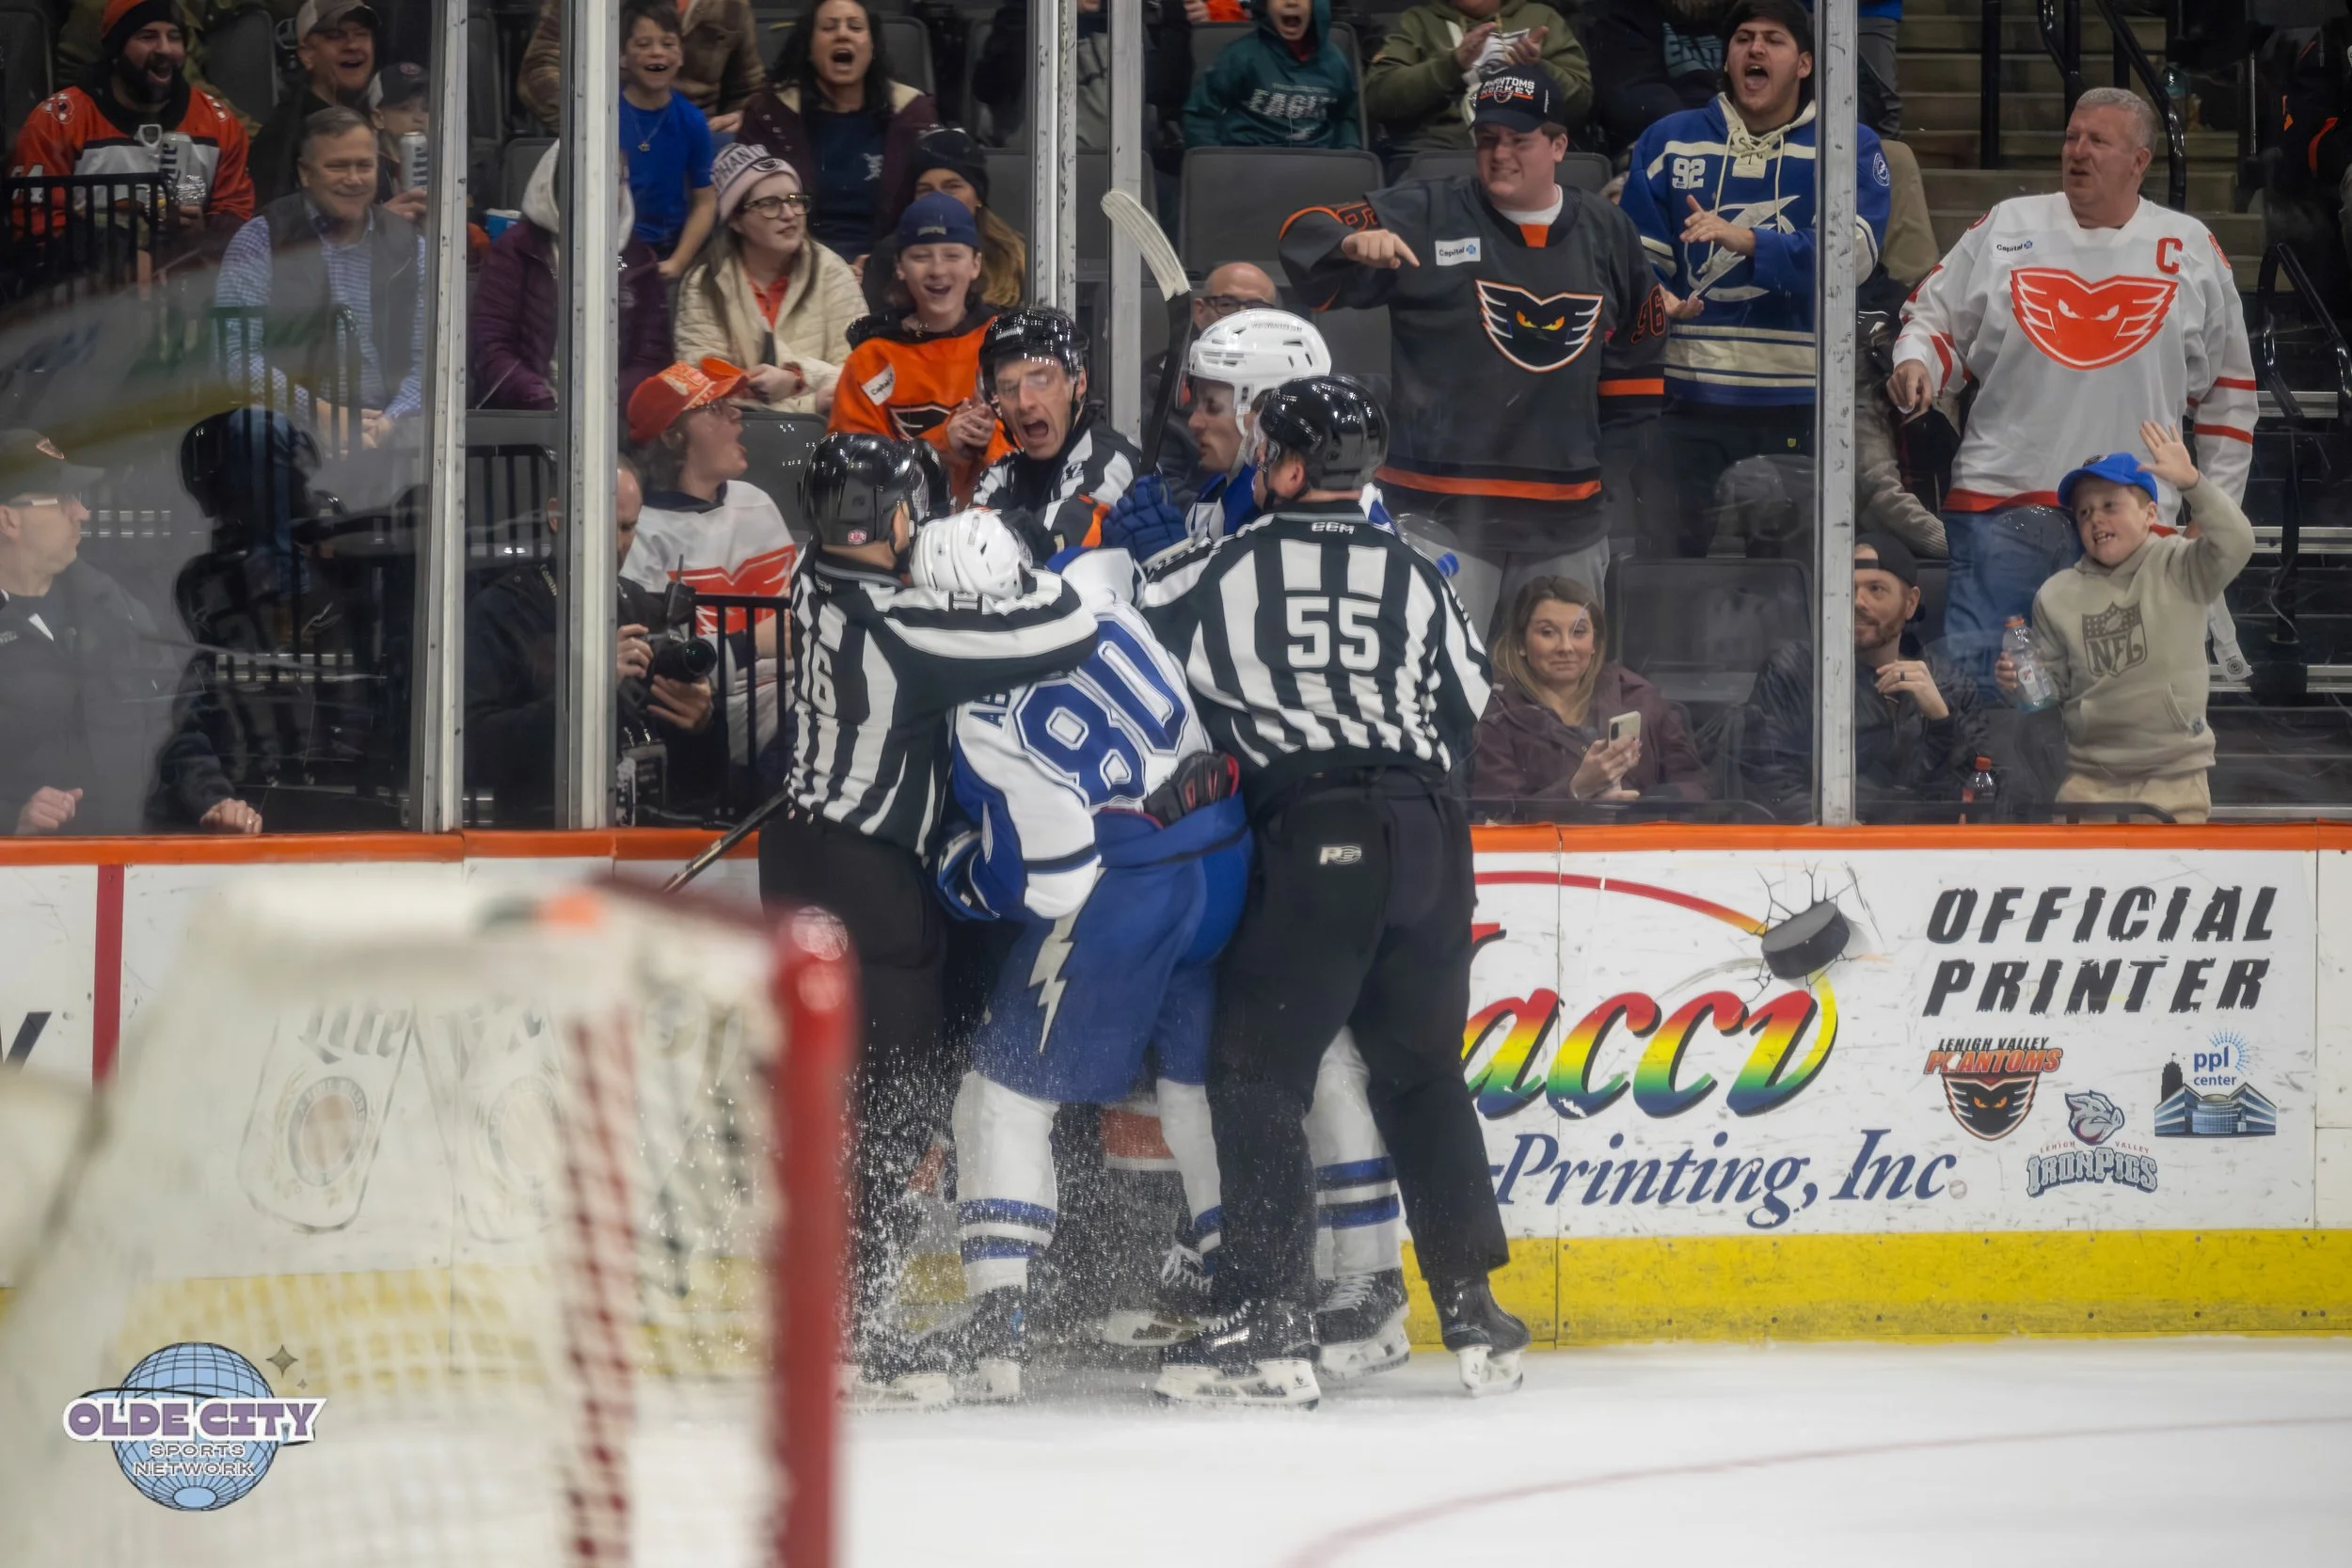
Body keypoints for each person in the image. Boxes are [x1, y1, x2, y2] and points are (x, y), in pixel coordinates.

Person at [1139, 377, 1522, 1408]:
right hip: (1435, 836)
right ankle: (1473, 1308)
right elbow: (1471, 698)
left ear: (1292, 467)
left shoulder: (1221, 564)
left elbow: (1127, 643)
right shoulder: (1418, 570)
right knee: (1422, 1073)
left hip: (1315, 826)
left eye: (1267, 451)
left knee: (1260, 1074)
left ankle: (1270, 1316)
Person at [763, 434, 1097, 1407]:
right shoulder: (905, 624)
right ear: (895, 518)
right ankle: (845, 1333)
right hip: (868, 876)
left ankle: (833, 1319)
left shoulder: (810, 576)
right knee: (894, 1102)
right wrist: (1018, 554)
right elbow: (1064, 630)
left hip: (800, 852)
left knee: (845, 1099)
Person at [917, 531, 1248, 1402]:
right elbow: (1110, 564)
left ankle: (997, 1330)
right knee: (1190, 1089)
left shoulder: (985, 713)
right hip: (1221, 855)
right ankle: (1241, 1291)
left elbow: (1053, 873)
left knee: (1002, 1093)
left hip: (1126, 886)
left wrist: (967, 879)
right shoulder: (1102, 606)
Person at [1888, 87, 2255, 692]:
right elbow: (1932, 320)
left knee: (2115, 700)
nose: (2077, 152)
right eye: (2070, 137)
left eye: (2098, 141)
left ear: (2139, 160)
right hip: (2000, 503)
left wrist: (2211, 514)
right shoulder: (2009, 225)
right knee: (1986, 691)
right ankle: (1981, 788)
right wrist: (1917, 360)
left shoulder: (2189, 247)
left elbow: (2228, 393)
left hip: (2136, 520)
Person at [1281, 69, 1670, 634]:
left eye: (1519, 140)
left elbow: (1640, 353)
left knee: (1557, 705)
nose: (1500, 154)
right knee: (1433, 697)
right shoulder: (1424, 213)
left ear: (1560, 145)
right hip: (1437, 519)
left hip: (1569, 524)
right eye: (1488, 139)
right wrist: (1348, 242)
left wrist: (1604, 473)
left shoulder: (1608, 231)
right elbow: (1300, 232)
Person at [1619, 0, 1889, 558]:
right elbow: (1629, 256)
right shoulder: (1668, 140)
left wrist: (1746, 240)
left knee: (1788, 590)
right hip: (1686, 399)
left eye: (1773, 39)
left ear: (1807, 63)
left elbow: (1851, 259)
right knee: (1668, 576)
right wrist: (1657, 295)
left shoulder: (1847, 144)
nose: (1755, 49)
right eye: (1743, 38)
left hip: (1799, 404)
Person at [0, 429, 260, 837]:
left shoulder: (113, 609)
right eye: (62, 500)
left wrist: (210, 801)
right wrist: (11, 816)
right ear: (7, 518)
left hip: (133, 871)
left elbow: (171, 728)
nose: (81, 513)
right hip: (25, 882)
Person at [1997, 425, 2253, 825]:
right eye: (2084, 512)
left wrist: (2193, 484)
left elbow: (2238, 543)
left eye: (2110, 505)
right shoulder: (2055, 594)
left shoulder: (2182, 565)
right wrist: (2018, 682)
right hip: (2087, 781)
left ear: (2150, 513)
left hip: (2175, 781)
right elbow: (2052, 689)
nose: (2095, 519)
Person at [465, 462, 722, 827]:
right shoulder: (503, 611)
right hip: (543, 839)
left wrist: (703, 725)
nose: (618, 544)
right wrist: (585, 692)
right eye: (604, 526)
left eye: (628, 527)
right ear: (557, 516)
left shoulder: (642, 607)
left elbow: (704, 785)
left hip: (652, 835)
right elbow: (475, 749)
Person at [214, 106, 424, 451]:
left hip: (388, 422)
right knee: (253, 429)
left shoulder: (409, 246)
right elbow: (234, 356)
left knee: (446, 429)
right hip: (293, 421)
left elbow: (429, 360)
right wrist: (319, 413)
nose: (354, 179)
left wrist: (388, 422)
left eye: (364, 166)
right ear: (305, 173)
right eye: (338, 166)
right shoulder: (262, 238)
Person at [1740, 533, 1988, 816]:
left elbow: (1973, 794)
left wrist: (1942, 722)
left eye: (1876, 589)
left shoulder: (1952, 687)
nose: (1858, 602)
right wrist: (1838, 832)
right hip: (1823, 847)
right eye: (1848, 589)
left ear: (1910, 603)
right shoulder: (1795, 671)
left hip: (1923, 850)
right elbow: (1768, 778)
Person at [10, 0, 254, 251]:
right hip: (88, 286)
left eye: (174, 37)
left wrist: (200, 233)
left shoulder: (220, 125)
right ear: (116, 51)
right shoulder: (55, 123)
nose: (165, 49)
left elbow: (238, 222)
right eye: (147, 37)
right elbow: (36, 232)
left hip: (189, 285)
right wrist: (116, 255)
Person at [828, 192, 1009, 499]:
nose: (937, 270)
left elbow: (1045, 443)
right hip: (898, 531)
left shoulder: (1007, 345)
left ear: (975, 264)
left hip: (999, 524)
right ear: (900, 266)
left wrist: (991, 440)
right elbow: (851, 470)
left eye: (952, 255)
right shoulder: (873, 359)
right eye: (921, 256)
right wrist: (940, 444)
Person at [472, 139, 671, 415]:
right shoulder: (516, 250)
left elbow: (651, 359)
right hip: (528, 423)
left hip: (616, 425)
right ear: (556, 182)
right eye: (588, 177)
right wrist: (546, 404)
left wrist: (606, 406)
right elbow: (492, 347)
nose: (599, 190)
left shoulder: (639, 261)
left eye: (612, 179)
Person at [737, 0, 939, 263]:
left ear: (872, 47)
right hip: (792, 262)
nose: (842, 34)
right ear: (809, 47)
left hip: (892, 265)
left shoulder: (913, 114)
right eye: (828, 27)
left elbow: (933, 204)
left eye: (855, 27)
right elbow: (747, 205)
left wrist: (882, 262)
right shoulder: (771, 113)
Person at [1470, 576, 1704, 805]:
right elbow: (1497, 817)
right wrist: (1575, 791)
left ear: (1595, 642)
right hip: (1552, 844)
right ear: (1521, 644)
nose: (1566, 647)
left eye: (1579, 632)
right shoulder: (1494, 716)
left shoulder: (1639, 696)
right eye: (1547, 633)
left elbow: (1696, 786)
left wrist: (1644, 806)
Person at [674, 145, 862, 417]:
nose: (788, 214)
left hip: (824, 441)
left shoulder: (832, 271)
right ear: (736, 221)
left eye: (795, 200)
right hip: (739, 441)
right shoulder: (704, 283)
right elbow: (705, 395)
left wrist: (797, 378)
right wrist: (811, 401)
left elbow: (862, 375)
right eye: (769, 204)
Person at [624, 359, 800, 608]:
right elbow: (651, 642)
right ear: (673, 438)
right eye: (716, 407)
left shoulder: (755, 500)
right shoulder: (638, 532)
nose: (736, 413)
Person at [970, 308, 1140, 561]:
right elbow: (966, 551)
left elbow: (1057, 547)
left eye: (1040, 382)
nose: (1024, 402)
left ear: (1079, 383)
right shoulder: (1002, 476)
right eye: (1008, 388)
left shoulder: (1111, 460)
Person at [1362, 0, 1590, 166]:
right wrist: (1451, 65)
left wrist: (1537, 68)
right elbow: (1379, 96)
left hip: (1525, 152)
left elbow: (1580, 103)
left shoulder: (1541, 18)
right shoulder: (1417, 22)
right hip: (1440, 156)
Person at [519, 0, 766, 135]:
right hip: (606, 141)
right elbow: (539, 70)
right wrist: (593, 127)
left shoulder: (733, 6)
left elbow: (749, 90)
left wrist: (742, 120)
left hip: (699, 140)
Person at [859, 126, 1026, 316]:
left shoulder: (1016, 254)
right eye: (926, 190)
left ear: (978, 196)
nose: (939, 200)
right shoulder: (887, 255)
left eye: (952, 187)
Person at [1140, 259, 1280, 484]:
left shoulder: (1293, 378)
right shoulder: (1161, 383)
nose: (1241, 319)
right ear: (1199, 311)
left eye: (1257, 309)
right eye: (1227, 305)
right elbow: (1164, 480)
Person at [618, 0, 717, 280]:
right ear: (622, 56)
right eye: (643, 44)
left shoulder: (692, 120)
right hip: (614, 247)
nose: (657, 53)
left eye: (668, 43)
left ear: (681, 55)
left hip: (666, 249)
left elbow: (705, 202)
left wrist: (677, 262)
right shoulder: (603, 114)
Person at [248, 0, 377, 209]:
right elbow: (276, 227)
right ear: (308, 55)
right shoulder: (284, 136)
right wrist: (380, 221)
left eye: (361, 34)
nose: (353, 45)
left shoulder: (381, 117)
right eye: (335, 36)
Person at [1184, 0, 1361, 150]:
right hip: (1248, 163)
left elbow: (1345, 118)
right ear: (1265, 5)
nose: (1291, 2)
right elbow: (1200, 116)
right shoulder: (1240, 56)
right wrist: (1217, 166)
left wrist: (1349, 156)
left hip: (1315, 165)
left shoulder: (1335, 61)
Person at [1582, 0, 1726, 153]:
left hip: (1741, 144)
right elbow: (1636, 95)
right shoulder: (1624, 14)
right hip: (1667, 150)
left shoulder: (1746, 15)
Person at [366, 60, 429, 226]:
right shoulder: (363, 171)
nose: (419, 118)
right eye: (405, 108)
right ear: (378, 118)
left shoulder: (447, 169)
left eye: (427, 108)